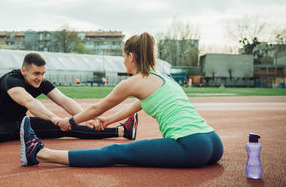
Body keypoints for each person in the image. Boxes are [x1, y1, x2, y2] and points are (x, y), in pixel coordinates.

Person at [20, 33, 223, 167]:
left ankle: (40, 153)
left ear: (132, 56)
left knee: (116, 152)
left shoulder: (133, 82)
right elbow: (137, 105)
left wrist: (70, 122)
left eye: (124, 56)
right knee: (123, 150)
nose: (123, 60)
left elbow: (97, 107)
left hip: (192, 146)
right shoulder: (165, 79)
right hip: (213, 142)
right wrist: (108, 121)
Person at [0, 53, 138, 157]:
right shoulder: (11, 81)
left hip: (21, 124)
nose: (40, 78)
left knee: (69, 127)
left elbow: (64, 101)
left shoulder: (41, 82)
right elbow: (29, 101)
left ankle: (122, 131)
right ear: (24, 71)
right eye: (36, 73)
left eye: (43, 73)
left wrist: (86, 117)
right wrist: (55, 118)